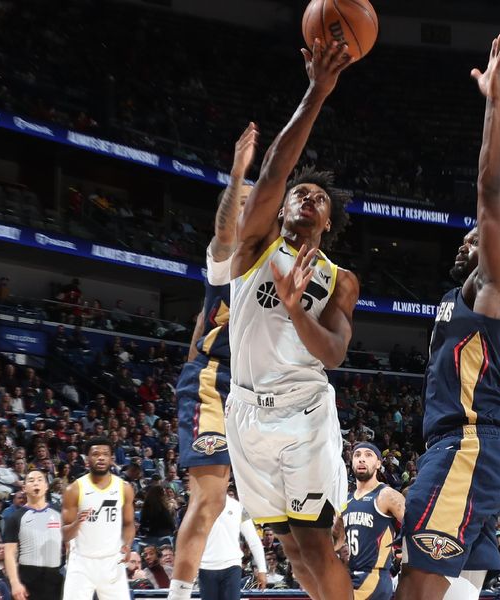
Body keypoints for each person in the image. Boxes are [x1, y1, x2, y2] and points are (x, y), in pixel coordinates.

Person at [395, 34, 500, 600]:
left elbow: (491, 194)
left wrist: (495, 103)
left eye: (479, 236)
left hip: (467, 445)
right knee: (458, 593)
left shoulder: (492, 290)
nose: (473, 236)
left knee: (414, 586)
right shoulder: (488, 295)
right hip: (477, 448)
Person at [223, 38, 358, 600]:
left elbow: (333, 353)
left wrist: (296, 303)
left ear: (328, 222)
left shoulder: (339, 279)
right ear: (278, 206)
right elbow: (278, 164)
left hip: (303, 411)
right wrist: (316, 91)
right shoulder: (254, 244)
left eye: (318, 199)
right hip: (244, 411)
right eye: (299, 193)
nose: (306, 198)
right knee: (292, 552)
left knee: (316, 543)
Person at [168, 123, 258, 600]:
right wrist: (238, 175)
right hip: (214, 380)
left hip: (256, 391)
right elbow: (225, 232)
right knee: (209, 499)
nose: (246, 211)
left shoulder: (278, 264)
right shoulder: (226, 260)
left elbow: (201, 324)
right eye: (242, 203)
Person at [61, 436, 135, 600]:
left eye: (105, 454)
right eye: (95, 454)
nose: (100, 457)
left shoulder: (124, 488)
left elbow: (129, 524)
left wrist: (128, 545)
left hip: (112, 561)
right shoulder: (74, 489)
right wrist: (77, 523)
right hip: (81, 563)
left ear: (111, 459)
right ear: (87, 459)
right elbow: (65, 534)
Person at [334, 442, 405, 600]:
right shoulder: (345, 500)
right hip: (349, 576)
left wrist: (403, 555)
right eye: (357, 455)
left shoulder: (387, 495)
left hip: (375, 576)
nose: (361, 459)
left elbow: (416, 528)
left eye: (368, 455)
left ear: (379, 463)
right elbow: (336, 541)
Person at [3, 469, 63, 600]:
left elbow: (70, 546)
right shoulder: (15, 517)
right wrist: (14, 583)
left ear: (47, 486)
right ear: (24, 488)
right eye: (31, 480)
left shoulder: (59, 513)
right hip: (27, 579)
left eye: (40, 480)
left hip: (55, 579)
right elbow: (9, 553)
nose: (36, 483)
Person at [199, 488, 267, 599]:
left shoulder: (238, 507)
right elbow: (191, 541)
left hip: (232, 567)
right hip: (206, 567)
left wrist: (262, 570)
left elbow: (254, 539)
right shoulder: (198, 507)